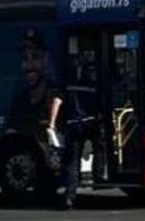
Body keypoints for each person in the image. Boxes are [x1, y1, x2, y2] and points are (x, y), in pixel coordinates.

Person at [48, 62, 101, 210]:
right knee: (99, 145)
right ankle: (98, 175)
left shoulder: (68, 83)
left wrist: (51, 124)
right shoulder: (92, 84)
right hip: (90, 122)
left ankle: (70, 197)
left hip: (72, 124)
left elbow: (57, 102)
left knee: (72, 162)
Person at [8, 28, 57, 136]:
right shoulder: (19, 103)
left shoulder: (56, 101)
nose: (29, 66)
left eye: (35, 57)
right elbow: (10, 140)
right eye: (25, 59)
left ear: (46, 59)